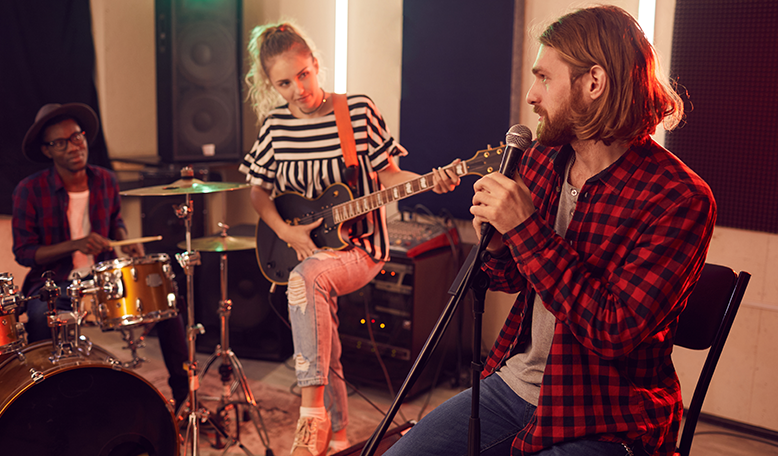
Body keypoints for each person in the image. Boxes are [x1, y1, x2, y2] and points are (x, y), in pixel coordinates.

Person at [384, 5, 716, 456]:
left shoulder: (678, 199)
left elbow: (612, 330)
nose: (530, 95)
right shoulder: (541, 160)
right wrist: (499, 243)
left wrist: (525, 228)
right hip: (513, 386)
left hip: (605, 414)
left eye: (544, 77)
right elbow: (512, 281)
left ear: (593, 83)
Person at [240, 22, 461, 456]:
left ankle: (311, 421)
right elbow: (257, 189)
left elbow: (388, 174)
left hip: (360, 250)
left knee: (308, 280)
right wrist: (285, 231)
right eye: (284, 82)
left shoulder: (355, 111)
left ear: (316, 65)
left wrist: (428, 181)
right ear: (270, 84)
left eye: (303, 74)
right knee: (324, 339)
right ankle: (339, 437)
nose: (298, 89)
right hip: (302, 248)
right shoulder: (274, 128)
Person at [12, 102, 190, 412]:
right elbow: (25, 252)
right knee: (41, 318)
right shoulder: (29, 190)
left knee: (167, 299)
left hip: (103, 279)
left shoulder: (105, 180)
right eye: (61, 142)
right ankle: (52, 405)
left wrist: (124, 241)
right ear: (47, 150)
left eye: (77, 136)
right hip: (54, 283)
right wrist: (75, 244)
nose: (74, 146)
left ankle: (183, 394)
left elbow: (116, 221)